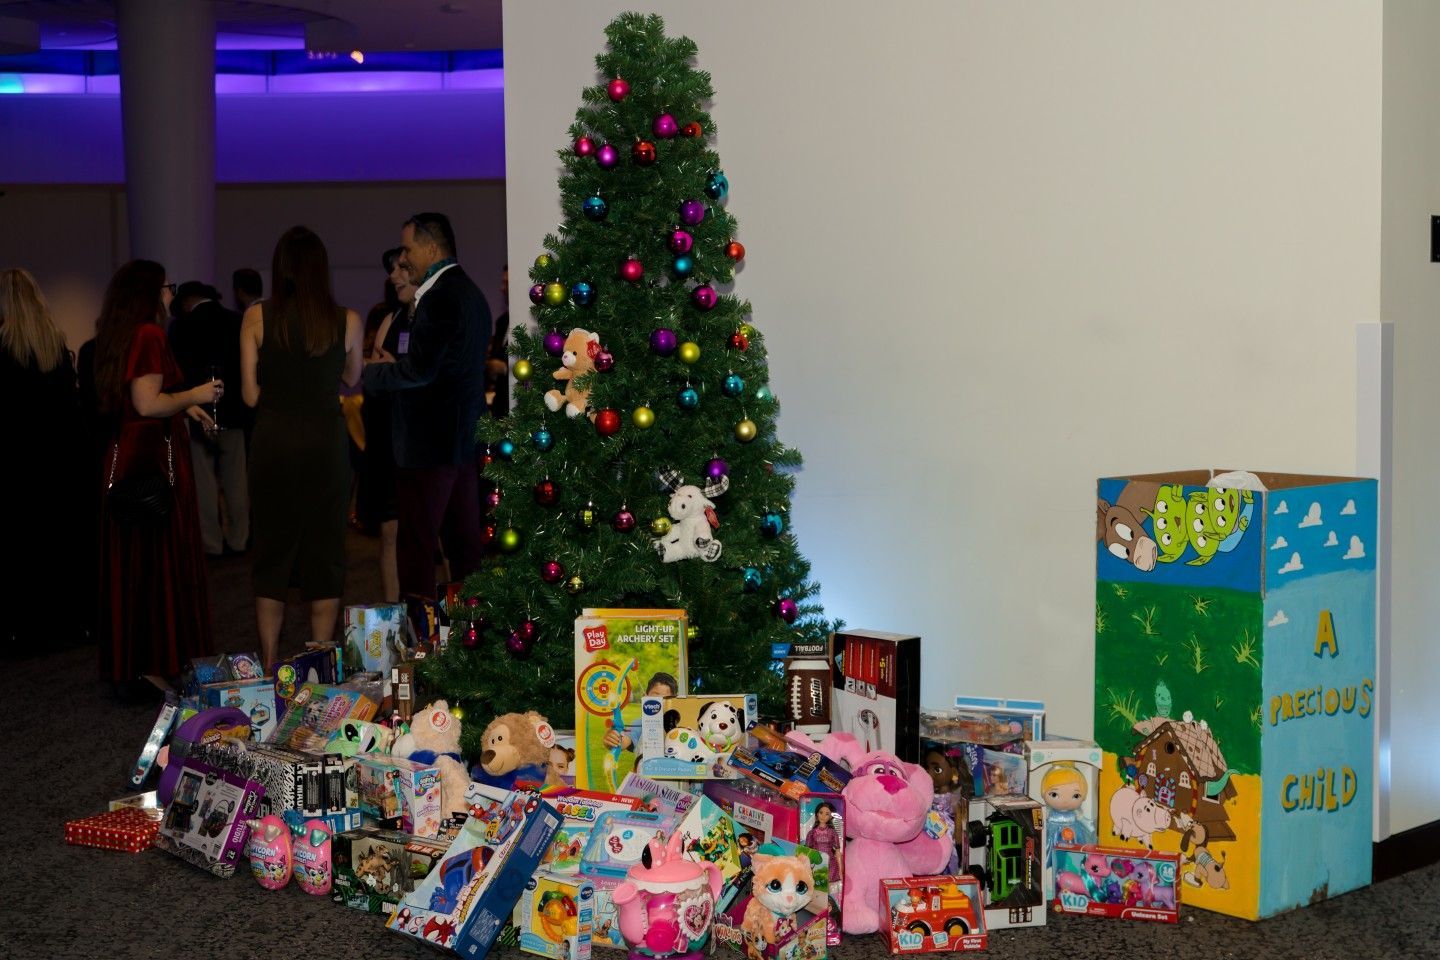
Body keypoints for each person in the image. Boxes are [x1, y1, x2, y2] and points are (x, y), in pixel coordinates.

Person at [93, 260, 219, 691]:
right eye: (168, 287)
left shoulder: (121, 332)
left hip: (132, 453)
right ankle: (152, 664)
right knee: (156, 561)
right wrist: (196, 393)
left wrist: (185, 405)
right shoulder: (148, 333)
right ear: (151, 292)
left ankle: (142, 661)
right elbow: (147, 404)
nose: (171, 294)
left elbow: (139, 400)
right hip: (151, 458)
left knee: (138, 561)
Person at [241, 226, 363, 669]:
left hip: (273, 443)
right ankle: (318, 662)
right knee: (325, 554)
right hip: (324, 447)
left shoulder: (256, 317)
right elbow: (352, 378)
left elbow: (250, 396)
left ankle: (270, 662)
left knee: (271, 554)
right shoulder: (346, 319)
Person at [363, 212, 490, 600]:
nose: (404, 257)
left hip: (427, 446)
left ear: (431, 248)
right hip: (461, 442)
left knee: (417, 549)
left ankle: (420, 644)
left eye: (408, 248)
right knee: (463, 547)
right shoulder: (471, 293)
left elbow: (420, 372)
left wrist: (371, 374)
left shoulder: (438, 298)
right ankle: (468, 632)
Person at [0, 268, 84, 649]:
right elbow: (71, 406)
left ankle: (25, 628)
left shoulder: (3, 349)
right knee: (59, 541)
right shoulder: (56, 343)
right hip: (59, 460)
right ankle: (67, 623)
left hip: (19, 464)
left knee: (22, 545)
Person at [168, 281, 249, 557]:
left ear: (186, 302)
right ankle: (240, 539)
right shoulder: (236, 321)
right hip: (235, 413)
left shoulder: (181, 328)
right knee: (237, 481)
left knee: (203, 483)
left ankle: (212, 544)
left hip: (197, 413)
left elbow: (176, 374)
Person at [356, 247, 413, 602]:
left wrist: (395, 369)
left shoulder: (432, 317)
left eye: (401, 269)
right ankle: (393, 614)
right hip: (388, 438)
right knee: (390, 532)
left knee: (432, 533)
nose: (394, 276)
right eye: (392, 271)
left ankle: (446, 620)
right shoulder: (391, 318)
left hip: (420, 438)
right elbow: (373, 370)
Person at [485, 263, 510, 417]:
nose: (502, 288)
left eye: (506, 283)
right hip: (499, 405)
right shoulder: (501, 322)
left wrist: (505, 369)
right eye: (502, 282)